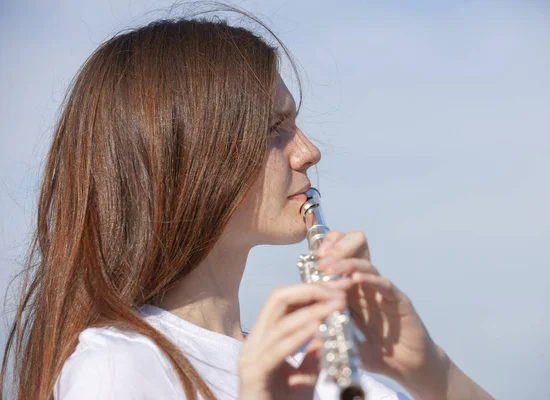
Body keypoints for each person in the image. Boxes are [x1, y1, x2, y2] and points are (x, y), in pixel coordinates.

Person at [0, 8, 495, 400]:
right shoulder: (120, 365)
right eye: (273, 130)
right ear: (189, 157)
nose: (309, 151)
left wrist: (429, 370)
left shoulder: (310, 362)